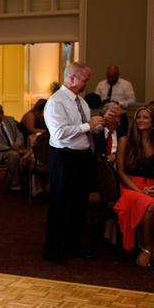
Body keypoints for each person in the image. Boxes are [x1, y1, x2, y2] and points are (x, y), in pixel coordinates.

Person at [42, 62, 104, 265]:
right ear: (72, 79)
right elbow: (59, 133)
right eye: (85, 80)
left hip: (82, 157)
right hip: (64, 157)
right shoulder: (56, 102)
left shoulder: (81, 102)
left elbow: (85, 130)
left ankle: (72, 246)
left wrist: (98, 124)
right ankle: (51, 250)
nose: (87, 83)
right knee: (61, 204)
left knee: (79, 204)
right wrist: (88, 125)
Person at [113, 105, 154, 269]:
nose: (141, 120)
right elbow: (121, 172)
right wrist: (139, 190)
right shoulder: (125, 141)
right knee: (152, 205)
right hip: (130, 187)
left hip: (150, 186)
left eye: (145, 117)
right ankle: (146, 248)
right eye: (139, 117)